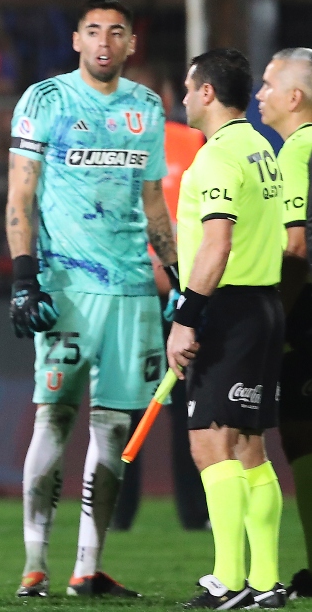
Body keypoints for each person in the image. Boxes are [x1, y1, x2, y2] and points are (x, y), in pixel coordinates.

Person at [5, 0, 175, 598]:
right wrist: (25, 278)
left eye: (117, 32)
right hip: (67, 288)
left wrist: (178, 280)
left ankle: (86, 566)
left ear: (131, 44)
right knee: (53, 419)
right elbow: (19, 198)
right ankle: (33, 565)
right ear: (77, 40)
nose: (105, 42)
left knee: (112, 431)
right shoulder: (46, 100)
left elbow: (154, 205)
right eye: (94, 31)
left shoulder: (147, 108)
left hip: (132, 290)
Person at [169, 47, 287, 609]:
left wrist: (186, 317)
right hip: (264, 306)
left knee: (209, 444)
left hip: (227, 310)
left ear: (208, 93)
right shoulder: (263, 148)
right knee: (249, 448)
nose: (184, 98)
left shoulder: (215, 158)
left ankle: (230, 581)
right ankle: (265, 582)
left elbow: (217, 243)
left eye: (189, 89)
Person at [111, 64, 209, 533]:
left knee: (191, 404)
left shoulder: (190, 142)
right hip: (133, 291)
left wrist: (178, 274)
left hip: (185, 293)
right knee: (126, 402)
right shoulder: (114, 147)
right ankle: (117, 512)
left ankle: (197, 513)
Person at [258, 47, 312, 600]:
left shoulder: (296, 151)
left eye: (270, 84)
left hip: (308, 312)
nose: (260, 93)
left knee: (299, 434)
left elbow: (296, 250)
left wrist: (278, 319)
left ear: (295, 98)